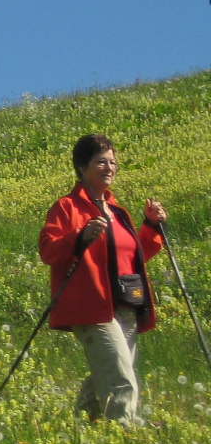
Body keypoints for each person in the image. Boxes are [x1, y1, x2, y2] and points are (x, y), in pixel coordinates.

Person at [39, 133, 167, 423]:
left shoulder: (117, 211)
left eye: (112, 162)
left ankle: (84, 426)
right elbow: (48, 251)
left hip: (125, 303)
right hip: (91, 307)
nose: (109, 167)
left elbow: (134, 256)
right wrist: (79, 236)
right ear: (82, 166)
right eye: (101, 162)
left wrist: (150, 225)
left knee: (111, 370)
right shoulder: (67, 207)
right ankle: (125, 432)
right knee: (120, 376)